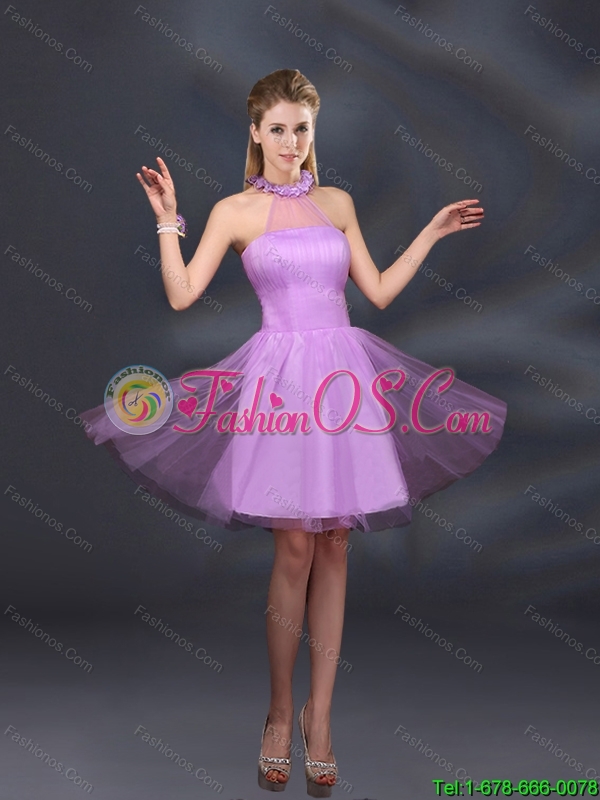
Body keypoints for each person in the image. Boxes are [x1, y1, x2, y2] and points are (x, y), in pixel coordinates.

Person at [81, 68, 506, 796]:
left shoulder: (336, 203)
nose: (289, 142)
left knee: (336, 544)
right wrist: (167, 219)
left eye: (301, 129)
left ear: (314, 131)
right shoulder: (234, 212)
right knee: (296, 547)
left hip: (344, 384)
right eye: (276, 129)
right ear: (255, 132)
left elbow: (377, 292)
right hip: (279, 386)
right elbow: (181, 296)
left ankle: (322, 719)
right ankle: (279, 714)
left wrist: (431, 233)